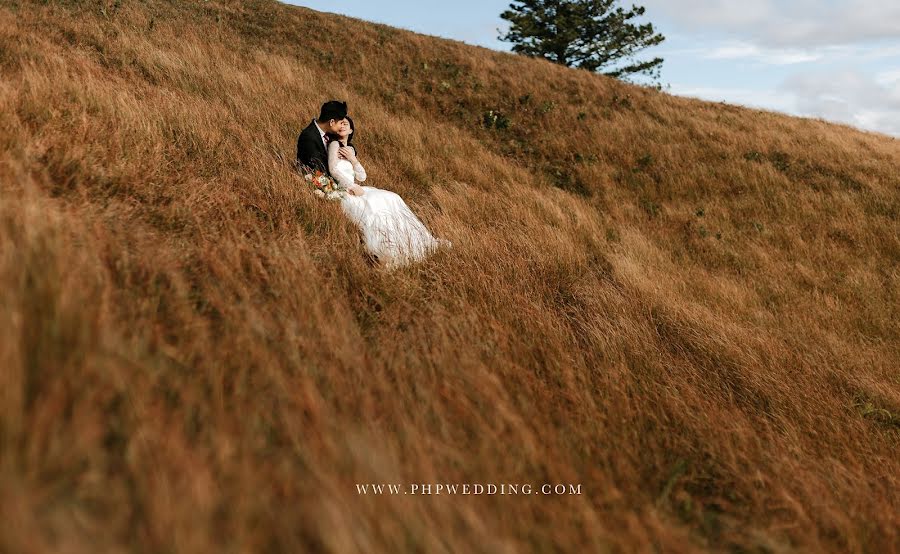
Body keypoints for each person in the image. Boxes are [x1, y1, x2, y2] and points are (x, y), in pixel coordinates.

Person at [326, 116, 452, 269]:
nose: (342, 125)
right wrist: (351, 186)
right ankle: (385, 250)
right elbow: (333, 170)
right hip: (345, 189)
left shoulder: (351, 149)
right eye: (340, 123)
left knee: (393, 198)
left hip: (358, 187)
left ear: (351, 130)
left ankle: (417, 241)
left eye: (346, 123)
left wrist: (353, 159)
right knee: (374, 205)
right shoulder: (334, 144)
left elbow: (362, 176)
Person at [296, 100, 348, 175]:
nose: (342, 127)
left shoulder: (331, 134)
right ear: (332, 122)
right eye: (341, 123)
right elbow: (318, 167)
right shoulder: (308, 137)